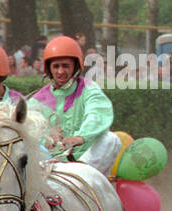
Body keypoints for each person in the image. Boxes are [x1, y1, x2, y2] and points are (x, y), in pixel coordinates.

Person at [29, 35, 119, 174]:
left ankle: (79, 176)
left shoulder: (88, 88)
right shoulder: (37, 100)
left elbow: (97, 114)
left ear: (76, 66)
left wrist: (81, 137)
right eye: (56, 66)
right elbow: (27, 130)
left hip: (84, 159)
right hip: (50, 161)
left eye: (65, 66)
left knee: (111, 139)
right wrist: (46, 137)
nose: (60, 71)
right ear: (49, 69)